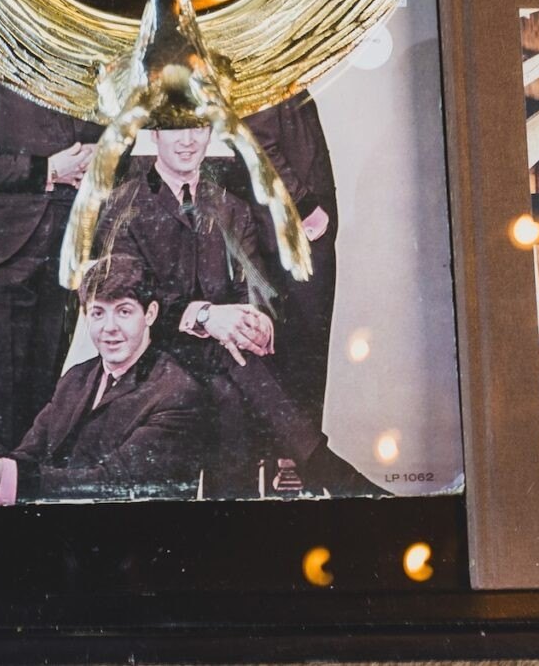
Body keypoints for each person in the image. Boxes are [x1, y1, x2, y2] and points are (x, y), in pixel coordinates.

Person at [96, 125, 379, 497]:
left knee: (230, 391)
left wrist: (257, 321)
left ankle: (235, 519)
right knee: (232, 383)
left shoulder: (232, 207)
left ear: (209, 132)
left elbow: (253, 288)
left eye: (196, 130)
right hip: (155, 347)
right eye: (175, 131)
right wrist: (205, 317)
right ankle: (323, 466)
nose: (187, 141)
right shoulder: (122, 206)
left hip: (222, 352)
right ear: (154, 136)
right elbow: (124, 301)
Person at [0, 254, 204, 505]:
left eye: (124, 311)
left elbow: (112, 485)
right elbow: (28, 456)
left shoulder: (176, 392)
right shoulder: (77, 378)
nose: (109, 328)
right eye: (98, 313)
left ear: (150, 314)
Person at [0, 71, 104, 450]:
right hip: (6, 253)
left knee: (49, 387)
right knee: (5, 393)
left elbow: (117, 142)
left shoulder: (91, 81)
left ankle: (29, 485)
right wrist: (48, 170)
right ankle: (0, 491)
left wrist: (104, 155)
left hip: (69, 251)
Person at [244, 92, 340, 443]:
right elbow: (259, 141)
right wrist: (304, 205)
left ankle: (300, 469)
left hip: (294, 238)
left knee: (303, 360)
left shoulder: (277, 65)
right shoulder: (265, 64)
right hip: (292, 238)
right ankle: (299, 469)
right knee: (300, 360)